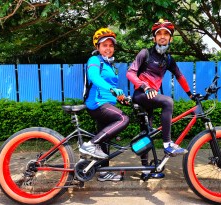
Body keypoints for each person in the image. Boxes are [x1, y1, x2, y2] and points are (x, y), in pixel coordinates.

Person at [126, 19, 194, 179]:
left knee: (147, 132)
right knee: (168, 102)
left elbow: (179, 76)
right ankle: (167, 144)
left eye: (166, 34)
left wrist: (191, 94)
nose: (162, 37)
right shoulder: (145, 53)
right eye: (159, 34)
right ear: (154, 38)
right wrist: (145, 86)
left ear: (170, 39)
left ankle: (145, 170)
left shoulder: (168, 59)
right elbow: (130, 72)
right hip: (141, 95)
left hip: (151, 97)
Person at [80, 28, 130, 182]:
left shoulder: (111, 66)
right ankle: (90, 144)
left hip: (107, 103)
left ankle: (103, 172)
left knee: (105, 138)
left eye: (111, 45)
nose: (108, 48)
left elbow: (112, 89)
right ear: (98, 47)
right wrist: (112, 89)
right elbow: (95, 78)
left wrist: (121, 98)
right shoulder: (94, 61)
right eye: (104, 45)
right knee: (123, 119)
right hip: (97, 103)